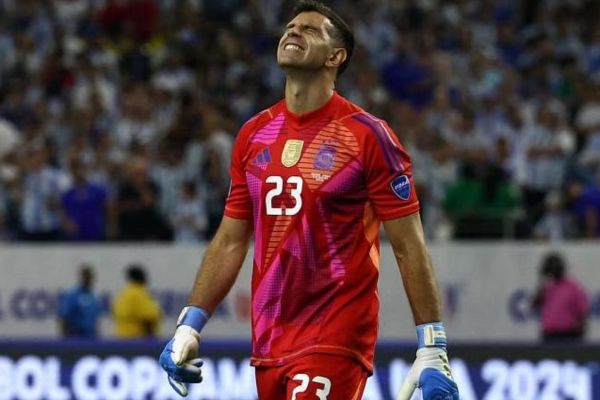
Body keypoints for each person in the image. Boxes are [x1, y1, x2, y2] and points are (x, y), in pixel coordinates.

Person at [159, 2, 459, 399]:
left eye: (310, 30)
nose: (294, 32)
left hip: (334, 334)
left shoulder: (368, 136)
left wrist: (432, 345)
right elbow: (231, 239)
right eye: (290, 26)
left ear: (336, 57)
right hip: (269, 341)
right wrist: (190, 324)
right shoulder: (254, 134)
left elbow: (408, 244)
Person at [531, 252, 590, 342]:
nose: (554, 271)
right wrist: (542, 280)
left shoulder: (573, 287)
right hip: (549, 334)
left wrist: (580, 335)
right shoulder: (547, 287)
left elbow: (582, 312)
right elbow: (534, 305)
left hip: (569, 334)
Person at [112, 264, 162, 338]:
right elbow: (148, 319)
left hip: (121, 341)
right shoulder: (140, 294)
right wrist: (151, 341)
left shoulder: (122, 295)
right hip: (138, 341)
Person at [57, 264, 102, 337]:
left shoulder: (94, 298)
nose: (88, 279)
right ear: (82, 277)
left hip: (90, 338)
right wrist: (65, 341)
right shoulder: (73, 295)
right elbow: (63, 317)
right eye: (86, 277)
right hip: (75, 338)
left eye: (90, 277)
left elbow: (95, 321)